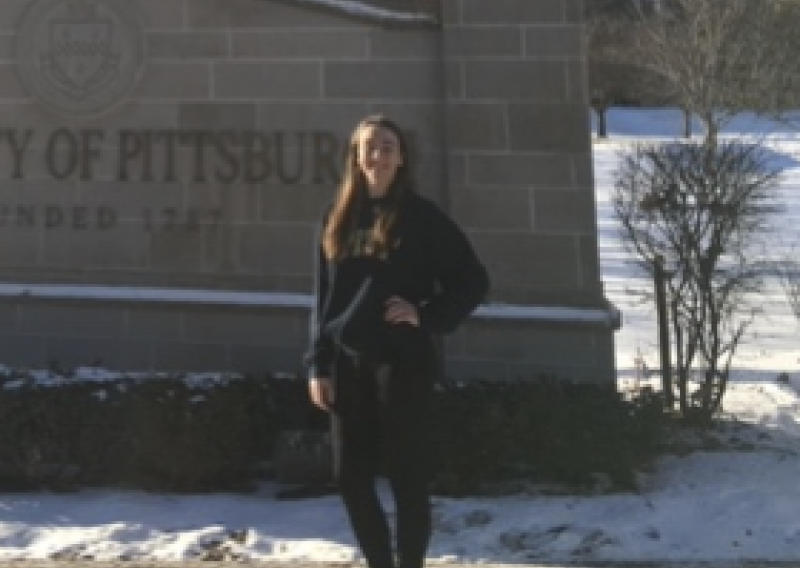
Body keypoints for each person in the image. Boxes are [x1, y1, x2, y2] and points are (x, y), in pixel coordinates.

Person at [305, 115, 489, 568]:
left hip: (402, 363)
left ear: (401, 157)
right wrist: (318, 365)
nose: (379, 155)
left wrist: (425, 315)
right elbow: (323, 298)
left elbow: (472, 279)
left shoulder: (422, 218)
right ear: (356, 156)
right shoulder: (337, 217)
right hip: (349, 364)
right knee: (349, 477)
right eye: (370, 146)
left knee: (407, 478)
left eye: (388, 146)